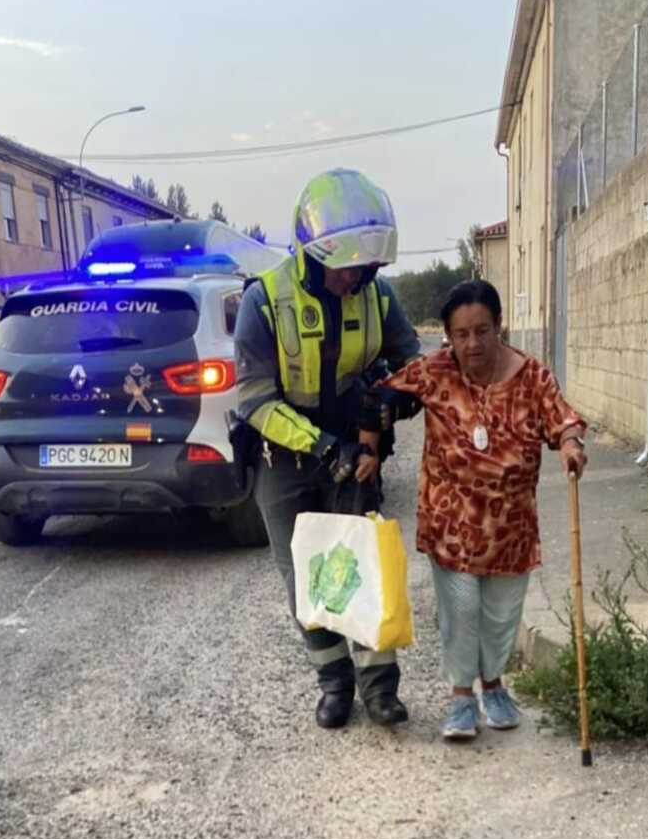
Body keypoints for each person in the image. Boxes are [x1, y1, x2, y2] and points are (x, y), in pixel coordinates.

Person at [234, 169, 421, 730]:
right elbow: (255, 401)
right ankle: (334, 685)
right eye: (350, 268)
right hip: (284, 457)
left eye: (368, 267)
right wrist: (324, 448)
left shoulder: (377, 296)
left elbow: (416, 366)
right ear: (314, 255)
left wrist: (384, 407)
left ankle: (380, 690)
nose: (360, 278)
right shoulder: (263, 301)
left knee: (361, 568)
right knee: (306, 581)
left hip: (354, 453)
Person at [383, 279, 587, 741]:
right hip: (450, 521)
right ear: (448, 337)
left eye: (481, 331)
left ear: (499, 326)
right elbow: (381, 400)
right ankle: (459, 697)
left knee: (500, 615)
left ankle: (493, 686)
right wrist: (369, 443)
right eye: (461, 334)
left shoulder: (532, 376)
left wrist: (571, 445)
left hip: (510, 525)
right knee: (461, 607)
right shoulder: (435, 371)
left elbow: (563, 419)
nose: (471, 343)